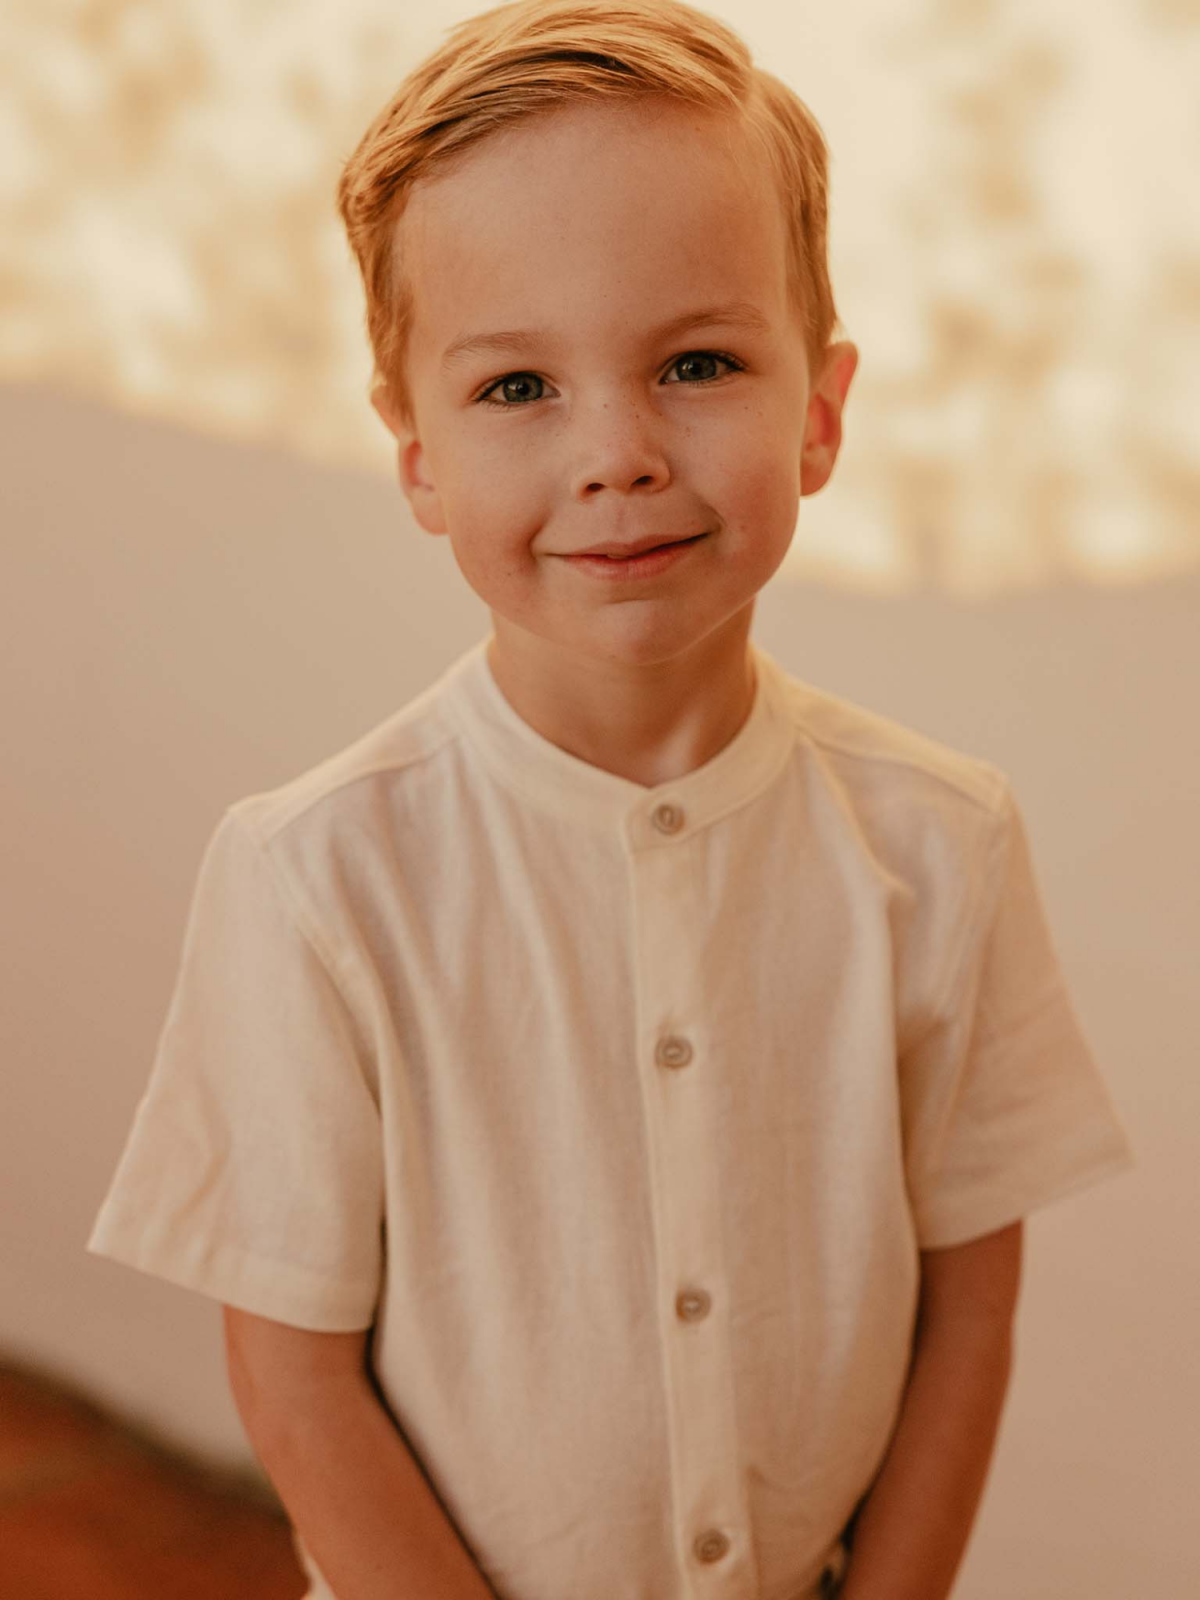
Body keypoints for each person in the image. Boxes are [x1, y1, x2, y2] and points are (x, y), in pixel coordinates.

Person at [85, 3, 1136, 1598]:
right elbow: (296, 1378)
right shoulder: (314, 876)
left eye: (698, 363)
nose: (619, 453)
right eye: (518, 389)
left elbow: (967, 1305)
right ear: (418, 454)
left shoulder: (942, 843)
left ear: (823, 412)